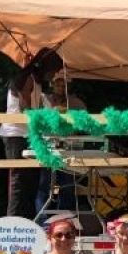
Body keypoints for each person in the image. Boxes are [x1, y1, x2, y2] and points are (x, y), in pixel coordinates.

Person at [1, 48, 61, 218]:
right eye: (53, 71)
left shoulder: (36, 82)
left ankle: (26, 220)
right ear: (45, 67)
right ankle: (13, 222)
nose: (54, 75)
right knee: (19, 183)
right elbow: (25, 108)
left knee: (31, 182)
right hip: (16, 134)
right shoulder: (26, 78)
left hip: (28, 134)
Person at [35, 68, 87, 212]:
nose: (60, 87)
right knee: (45, 184)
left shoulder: (77, 102)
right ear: (52, 84)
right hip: (48, 146)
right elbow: (35, 120)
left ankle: (65, 217)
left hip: (70, 147)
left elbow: (84, 125)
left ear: (68, 86)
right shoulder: (43, 99)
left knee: (67, 184)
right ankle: (43, 220)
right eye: (58, 84)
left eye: (64, 85)